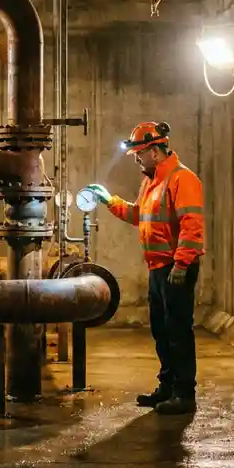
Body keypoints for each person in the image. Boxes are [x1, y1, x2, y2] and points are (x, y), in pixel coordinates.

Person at [86, 121, 205, 415]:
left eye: (139, 153)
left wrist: (181, 264)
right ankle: (168, 387)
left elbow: (192, 226)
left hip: (176, 268)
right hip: (158, 268)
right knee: (161, 331)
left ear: (154, 151)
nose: (136, 159)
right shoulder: (151, 183)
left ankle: (184, 394)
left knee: (178, 331)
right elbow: (139, 215)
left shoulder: (182, 179)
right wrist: (110, 201)